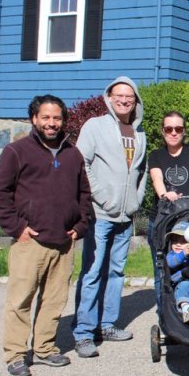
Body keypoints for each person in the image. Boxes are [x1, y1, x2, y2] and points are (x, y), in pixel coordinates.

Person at [0, 94, 91, 376]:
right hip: (30, 242)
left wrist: (80, 226)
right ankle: (15, 355)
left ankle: (45, 348)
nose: (51, 123)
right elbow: (1, 194)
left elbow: (84, 194)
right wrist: (16, 228)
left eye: (57, 118)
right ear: (34, 118)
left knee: (54, 300)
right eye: (46, 117)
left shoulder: (73, 153)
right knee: (20, 300)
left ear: (63, 121)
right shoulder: (16, 151)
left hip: (63, 241)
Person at [72, 76, 147, 358]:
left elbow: (140, 173)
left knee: (116, 272)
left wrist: (137, 199)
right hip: (100, 214)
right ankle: (83, 333)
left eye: (129, 96)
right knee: (92, 272)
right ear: (109, 97)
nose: (124, 100)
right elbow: (82, 164)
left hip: (126, 216)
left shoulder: (139, 133)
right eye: (119, 95)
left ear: (135, 100)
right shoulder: (95, 126)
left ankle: (107, 324)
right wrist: (100, 195)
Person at [147, 111, 189, 310]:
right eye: (169, 129)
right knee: (163, 269)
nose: (174, 133)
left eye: (179, 129)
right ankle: (166, 315)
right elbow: (157, 179)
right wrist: (164, 194)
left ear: (184, 131)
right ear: (163, 131)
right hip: (164, 218)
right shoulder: (156, 155)